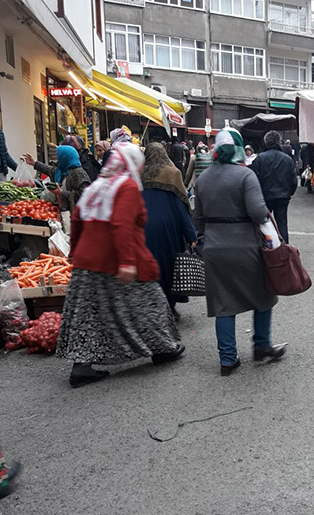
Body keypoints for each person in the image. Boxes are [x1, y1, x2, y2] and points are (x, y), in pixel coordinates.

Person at [56, 142, 184, 388]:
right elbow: (122, 224)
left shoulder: (97, 186)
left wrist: (75, 252)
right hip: (116, 260)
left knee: (89, 314)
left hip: (87, 262)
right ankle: (162, 349)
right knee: (149, 302)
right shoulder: (126, 186)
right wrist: (126, 262)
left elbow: (77, 219)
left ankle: (81, 367)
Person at [195, 129, 286, 376]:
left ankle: (227, 359)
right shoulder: (245, 175)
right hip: (245, 246)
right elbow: (258, 212)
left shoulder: (203, 179)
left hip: (214, 248)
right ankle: (262, 346)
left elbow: (198, 218)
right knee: (264, 296)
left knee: (223, 304)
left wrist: (202, 242)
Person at [142, 142, 197, 317]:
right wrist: (191, 234)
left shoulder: (139, 173)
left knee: (151, 265)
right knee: (170, 266)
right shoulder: (173, 173)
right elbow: (181, 207)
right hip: (169, 226)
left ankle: (153, 306)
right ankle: (170, 306)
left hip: (144, 226)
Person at [251, 130, 297, 243]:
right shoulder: (287, 159)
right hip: (283, 196)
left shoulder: (260, 158)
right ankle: (284, 247)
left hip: (265, 196)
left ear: (266, 142)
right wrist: (289, 193)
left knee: (264, 223)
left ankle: (265, 247)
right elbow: (293, 180)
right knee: (282, 223)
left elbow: (254, 179)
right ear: (279, 142)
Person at [25, 145, 90, 212]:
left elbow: (84, 195)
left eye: (60, 158)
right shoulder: (63, 171)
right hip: (63, 210)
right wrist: (34, 163)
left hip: (76, 213)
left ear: (65, 158)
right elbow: (49, 169)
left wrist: (62, 193)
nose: (58, 160)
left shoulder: (79, 174)